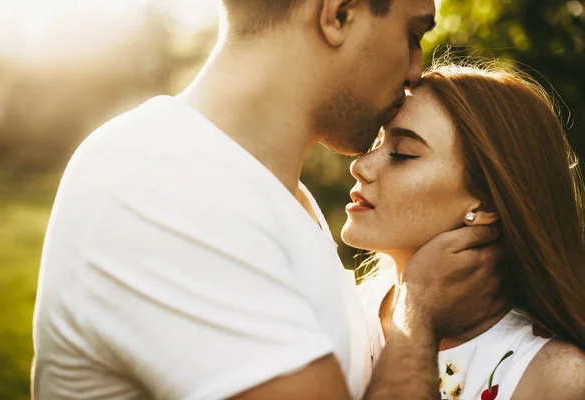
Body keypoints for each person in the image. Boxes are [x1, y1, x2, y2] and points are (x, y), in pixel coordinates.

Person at [32, 1, 503, 399]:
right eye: (412, 33)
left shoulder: (273, 193)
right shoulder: (167, 184)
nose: (414, 70)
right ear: (337, 14)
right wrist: (416, 319)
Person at [344, 62, 585, 400]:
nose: (360, 165)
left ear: (486, 205)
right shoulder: (332, 312)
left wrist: (418, 312)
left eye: (402, 154)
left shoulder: (555, 377)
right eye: (378, 142)